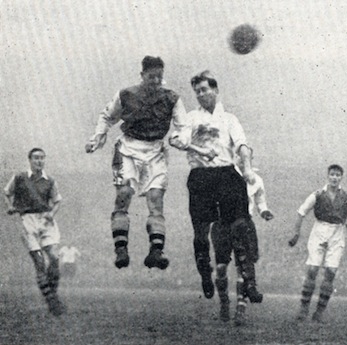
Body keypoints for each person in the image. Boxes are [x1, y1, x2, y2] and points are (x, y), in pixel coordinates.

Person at [169, 70, 263, 324]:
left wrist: (247, 166)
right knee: (201, 232)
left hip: (226, 173)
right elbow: (177, 139)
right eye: (197, 91)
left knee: (241, 225)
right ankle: (204, 272)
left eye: (204, 89)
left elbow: (242, 144)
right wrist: (188, 144)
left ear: (215, 90)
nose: (200, 94)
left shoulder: (229, 118)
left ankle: (250, 283)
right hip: (201, 176)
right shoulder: (189, 118)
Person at [85, 55, 188, 270]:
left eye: (159, 77)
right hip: (128, 148)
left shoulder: (172, 98)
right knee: (123, 194)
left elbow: (183, 125)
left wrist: (181, 138)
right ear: (142, 75)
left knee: (155, 199)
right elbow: (107, 117)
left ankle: (156, 252)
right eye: (151, 77)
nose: (156, 81)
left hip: (155, 150)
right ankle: (121, 249)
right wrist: (97, 139)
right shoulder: (126, 94)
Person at [288, 164, 347, 322]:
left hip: (337, 232)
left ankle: (319, 311)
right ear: (328, 176)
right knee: (313, 269)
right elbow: (301, 212)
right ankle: (304, 307)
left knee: (331, 272)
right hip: (320, 230)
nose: (334, 177)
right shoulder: (318, 194)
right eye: (332, 174)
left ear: (341, 177)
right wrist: (296, 233)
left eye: (337, 175)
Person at [4, 148, 66, 316]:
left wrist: (51, 214)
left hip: (46, 221)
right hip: (28, 221)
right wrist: (10, 206)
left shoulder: (50, 180)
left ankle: (52, 294)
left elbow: (58, 201)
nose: (39, 161)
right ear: (30, 160)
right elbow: (6, 193)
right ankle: (51, 301)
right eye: (36, 158)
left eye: (42, 158)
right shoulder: (19, 177)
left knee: (54, 257)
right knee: (39, 262)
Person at [232, 165, 274, 325]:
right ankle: (231, 301)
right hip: (227, 222)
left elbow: (260, 201)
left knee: (243, 266)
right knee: (233, 266)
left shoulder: (256, 180)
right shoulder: (226, 176)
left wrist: (264, 212)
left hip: (245, 221)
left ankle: (240, 309)